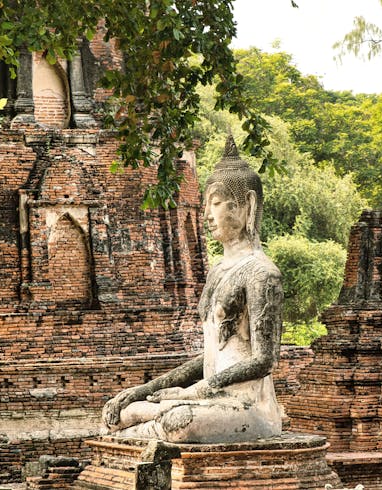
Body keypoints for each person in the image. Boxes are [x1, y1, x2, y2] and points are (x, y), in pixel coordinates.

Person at [101, 136, 284, 443]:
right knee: (119, 411)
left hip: (247, 407)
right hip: (210, 397)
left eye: (215, 203)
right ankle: (140, 430)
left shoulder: (263, 273)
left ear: (247, 205)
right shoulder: (217, 272)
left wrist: (195, 391)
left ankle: (145, 434)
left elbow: (264, 361)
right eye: (205, 205)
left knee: (179, 420)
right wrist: (146, 388)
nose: (206, 216)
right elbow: (211, 355)